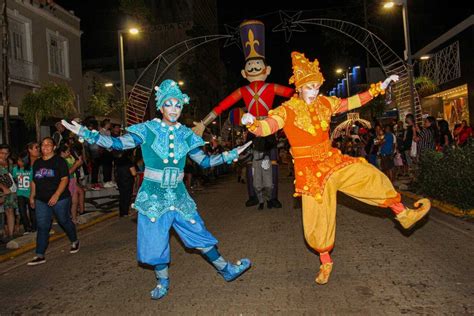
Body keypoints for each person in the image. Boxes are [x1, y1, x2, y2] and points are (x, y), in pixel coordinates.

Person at [242, 52, 431, 285]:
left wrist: (379, 87)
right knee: (318, 221)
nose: (314, 92)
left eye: (317, 87)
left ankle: (404, 214)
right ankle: (325, 262)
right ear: (299, 88)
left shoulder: (325, 103)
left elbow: (351, 102)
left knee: (369, 175)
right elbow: (268, 127)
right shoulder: (287, 110)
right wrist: (252, 123)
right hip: (310, 173)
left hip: (333, 161)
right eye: (310, 87)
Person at [62, 79, 252, 300]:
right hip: (153, 195)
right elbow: (118, 144)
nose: (174, 109)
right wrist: (90, 135)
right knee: (155, 241)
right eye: (169, 104)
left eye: (178, 105)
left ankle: (226, 269)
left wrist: (230, 155)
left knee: (199, 233)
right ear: (161, 106)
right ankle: (162, 281)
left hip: (179, 195)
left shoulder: (187, 134)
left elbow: (205, 162)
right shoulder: (147, 129)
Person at [193, 20, 293, 208]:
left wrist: (309, 96)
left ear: (267, 70)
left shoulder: (272, 87)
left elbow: (292, 94)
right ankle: (253, 195)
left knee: (271, 162)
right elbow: (222, 106)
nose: (254, 67)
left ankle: (272, 197)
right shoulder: (242, 91)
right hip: (251, 129)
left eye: (258, 64)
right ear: (244, 73)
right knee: (249, 163)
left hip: (268, 128)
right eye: (251, 65)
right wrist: (204, 123)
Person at [27, 137, 79, 266]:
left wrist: (56, 194)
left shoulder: (59, 161)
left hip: (60, 198)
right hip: (41, 199)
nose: (45, 147)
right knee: (43, 226)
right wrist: (32, 196)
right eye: (43, 145)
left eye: (48, 144)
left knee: (63, 220)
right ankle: (40, 254)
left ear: (54, 147)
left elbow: (64, 179)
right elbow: (34, 181)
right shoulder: (37, 163)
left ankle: (74, 240)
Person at [12, 151, 34, 233]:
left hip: (29, 193)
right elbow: (14, 179)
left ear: (26, 161)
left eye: (21, 161)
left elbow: (33, 182)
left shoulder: (31, 170)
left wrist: (32, 194)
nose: (19, 162)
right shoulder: (15, 169)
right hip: (20, 193)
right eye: (18, 160)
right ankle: (27, 228)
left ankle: (34, 227)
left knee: (32, 212)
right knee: (22, 212)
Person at [0, 144, 17, 238]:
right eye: (2, 153)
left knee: (10, 210)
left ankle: (10, 234)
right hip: (3, 190)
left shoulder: (10, 163)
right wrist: (3, 187)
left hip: (10, 190)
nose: (4, 155)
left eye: (6, 153)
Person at [114, 149, 137, 217]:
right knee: (127, 197)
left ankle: (121, 212)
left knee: (122, 196)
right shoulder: (129, 161)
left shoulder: (118, 161)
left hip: (120, 180)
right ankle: (125, 213)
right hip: (128, 181)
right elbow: (134, 173)